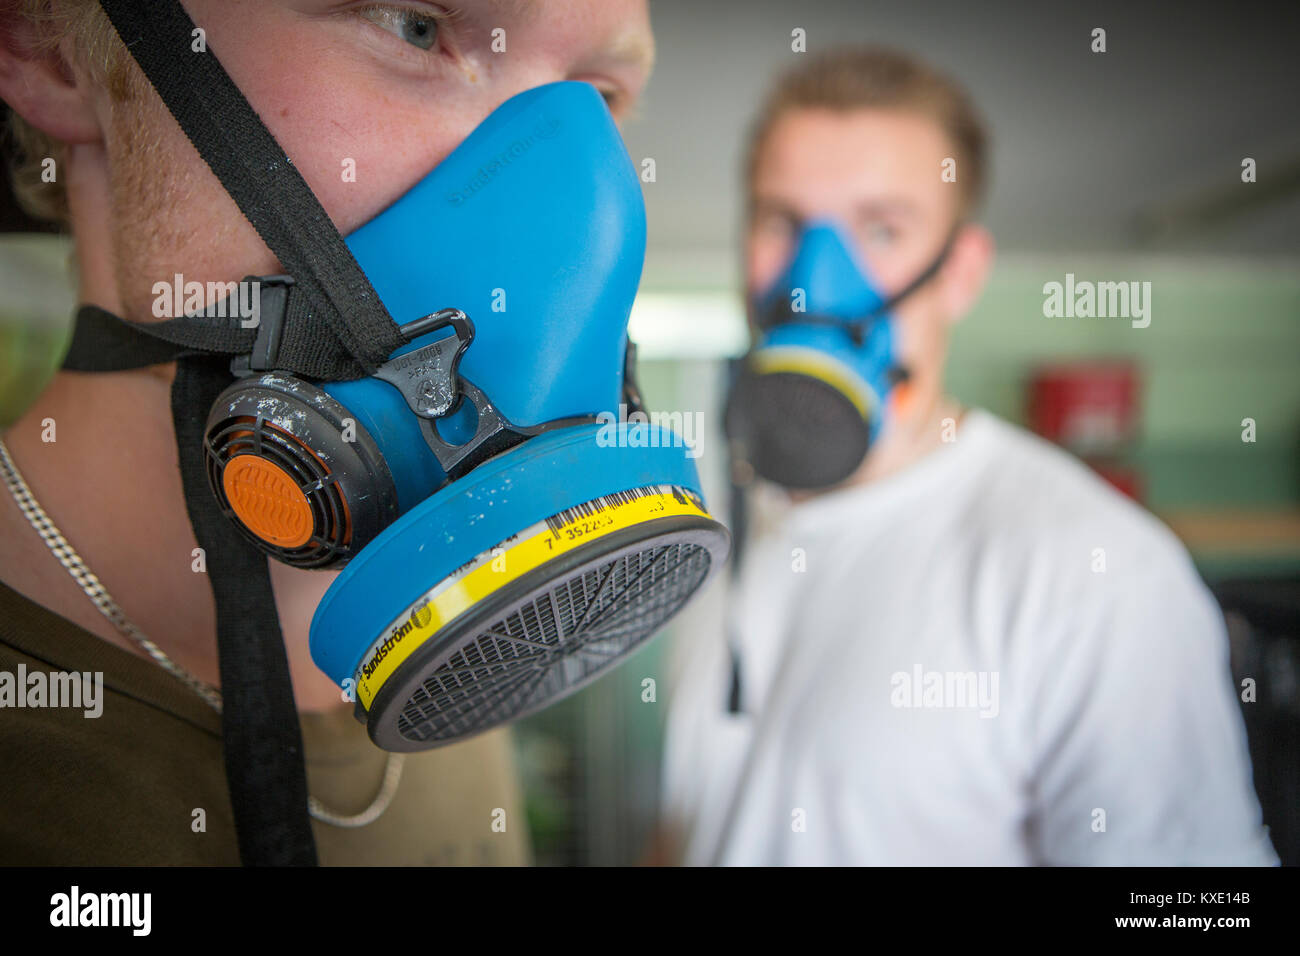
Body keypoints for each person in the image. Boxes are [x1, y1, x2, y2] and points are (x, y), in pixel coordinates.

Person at [0, 0, 655, 865]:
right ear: (48, 46)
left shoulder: (445, 643)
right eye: (416, 27)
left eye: (599, 94)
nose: (580, 200)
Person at [659, 47, 1277, 866]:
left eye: (882, 228)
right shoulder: (710, 516)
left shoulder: (1095, 576)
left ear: (960, 272)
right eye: (784, 221)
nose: (814, 281)